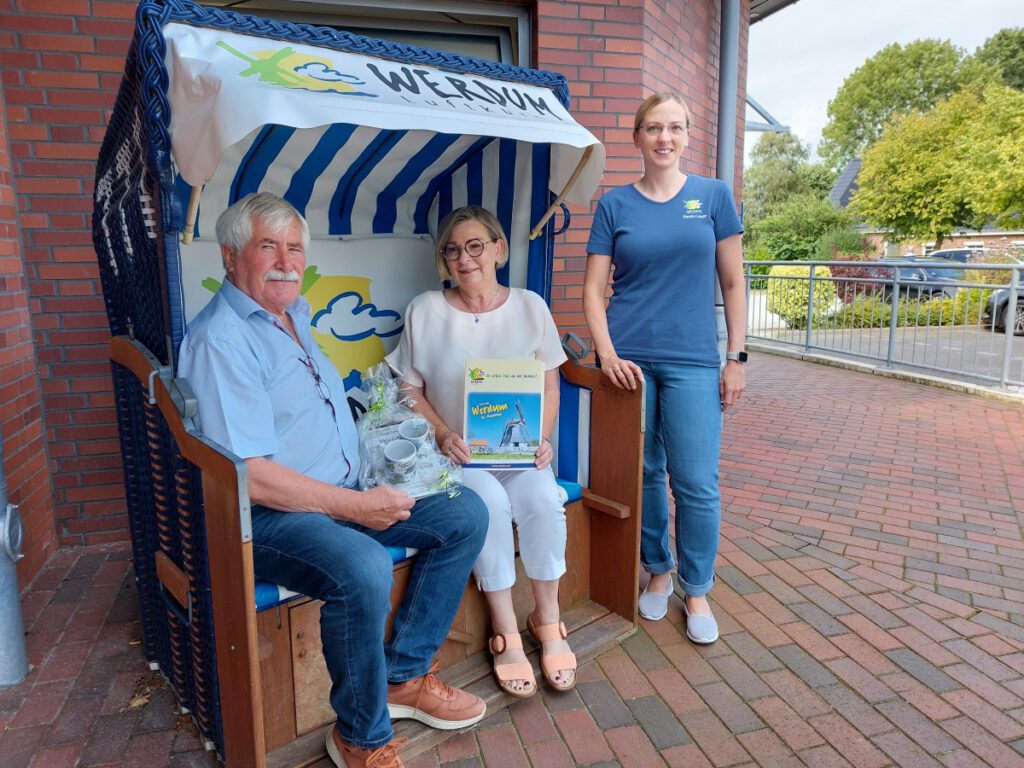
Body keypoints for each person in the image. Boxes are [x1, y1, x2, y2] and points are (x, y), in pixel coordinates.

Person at [178, 192, 489, 768]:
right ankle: (360, 737)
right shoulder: (221, 339)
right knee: (364, 568)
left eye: (294, 248)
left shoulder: (291, 314)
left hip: (345, 497)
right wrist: (355, 506)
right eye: (267, 246)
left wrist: (367, 486)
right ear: (229, 256)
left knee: (464, 513)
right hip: (271, 519)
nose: (286, 261)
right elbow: (251, 477)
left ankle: (404, 677)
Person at [386, 205, 577, 699]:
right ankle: (506, 630)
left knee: (542, 498)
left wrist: (544, 439)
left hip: (521, 455)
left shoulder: (532, 306)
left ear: (499, 249)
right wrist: (442, 433)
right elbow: (409, 389)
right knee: (486, 503)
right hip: (460, 458)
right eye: (452, 250)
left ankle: (548, 620)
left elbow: (550, 386)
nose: (463, 258)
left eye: (475, 246)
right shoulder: (425, 310)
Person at [582, 93, 746, 644]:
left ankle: (696, 588)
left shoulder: (713, 197)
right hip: (629, 360)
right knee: (646, 473)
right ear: (637, 138)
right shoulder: (615, 205)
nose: (664, 138)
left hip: (695, 360)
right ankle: (658, 571)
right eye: (653, 128)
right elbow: (592, 290)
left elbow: (733, 282)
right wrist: (605, 354)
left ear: (687, 134)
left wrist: (737, 357)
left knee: (696, 482)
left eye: (675, 127)